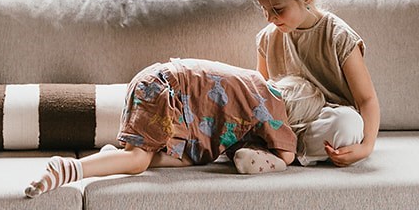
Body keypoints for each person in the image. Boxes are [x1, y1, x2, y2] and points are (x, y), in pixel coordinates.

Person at [24, 58, 297, 197]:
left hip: (164, 83)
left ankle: (113, 159)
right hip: (165, 87)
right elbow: (286, 155)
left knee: (186, 160)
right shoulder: (273, 102)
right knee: (138, 160)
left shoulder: (254, 86)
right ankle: (67, 169)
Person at [253, 0, 380, 167]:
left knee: (349, 125)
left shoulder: (339, 37)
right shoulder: (268, 38)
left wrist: (366, 147)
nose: (269, 18)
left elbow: (366, 99)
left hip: (325, 121)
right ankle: (277, 150)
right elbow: (261, 96)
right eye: (265, 10)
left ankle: (278, 152)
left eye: (277, 10)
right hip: (284, 121)